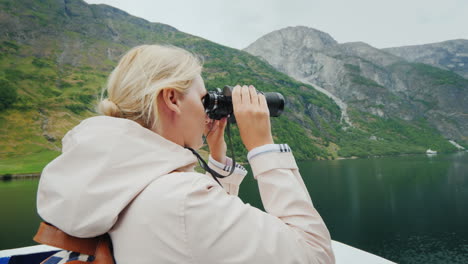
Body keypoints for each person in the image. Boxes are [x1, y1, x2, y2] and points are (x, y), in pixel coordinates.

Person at [36, 45, 335, 263]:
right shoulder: (182, 200)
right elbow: (315, 255)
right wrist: (263, 148)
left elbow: (202, 236)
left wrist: (217, 156)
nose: (207, 108)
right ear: (172, 99)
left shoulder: (108, 181)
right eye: (203, 98)